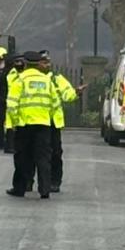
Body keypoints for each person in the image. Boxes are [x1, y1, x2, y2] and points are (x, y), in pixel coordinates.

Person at [6, 50, 62, 200]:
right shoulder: (46, 81)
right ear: (38, 64)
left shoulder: (20, 79)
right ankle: (44, 189)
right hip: (43, 124)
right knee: (43, 157)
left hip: (24, 124)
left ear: (25, 63)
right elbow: (55, 103)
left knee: (22, 157)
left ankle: (20, 188)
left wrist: (14, 121)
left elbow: (11, 104)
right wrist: (52, 120)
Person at [39, 51, 79, 193]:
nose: (47, 64)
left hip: (53, 122)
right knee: (39, 154)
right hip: (37, 121)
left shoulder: (56, 79)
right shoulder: (31, 79)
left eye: (48, 62)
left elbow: (67, 94)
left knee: (56, 153)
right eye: (44, 62)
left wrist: (75, 92)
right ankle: (39, 182)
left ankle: (55, 182)